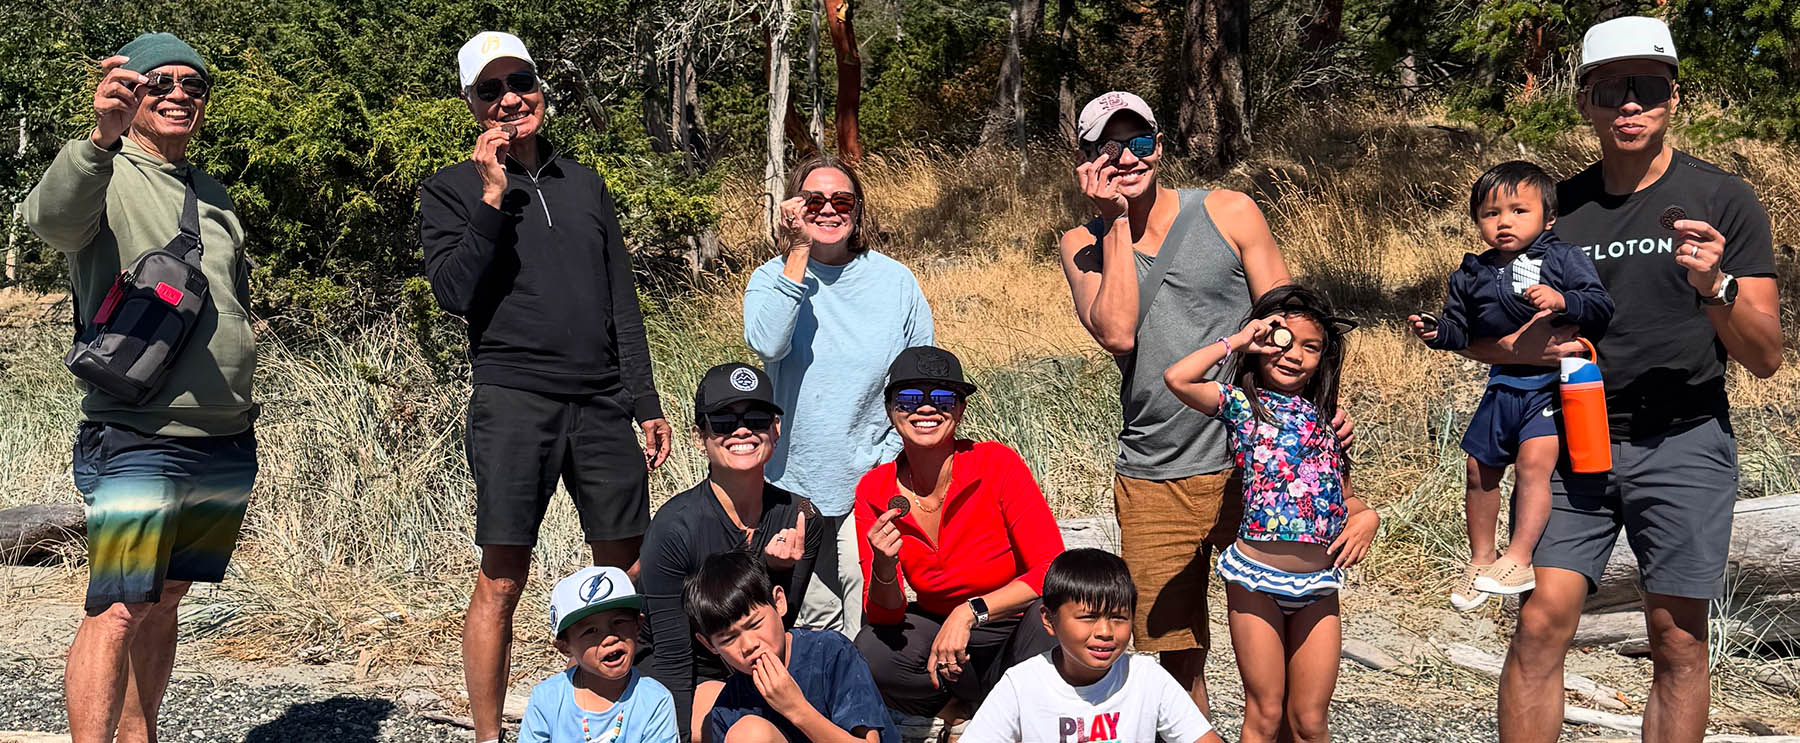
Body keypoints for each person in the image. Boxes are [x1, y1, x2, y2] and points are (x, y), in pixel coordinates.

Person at [1493, 17, 1783, 743]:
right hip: (1572, 442)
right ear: (1585, 101)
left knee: (1677, 638)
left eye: (1646, 87)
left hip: (1684, 439)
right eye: (1612, 88)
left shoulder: (1724, 200)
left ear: (1673, 97)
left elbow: (1767, 355)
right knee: (1538, 623)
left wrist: (1716, 284)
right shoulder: (1557, 212)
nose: (1630, 104)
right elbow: (1512, 337)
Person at [1055, 90, 1350, 716]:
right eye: (1109, 146)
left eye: (1139, 142)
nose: (1126, 157)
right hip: (1158, 463)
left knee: (1277, 640)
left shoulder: (1230, 211)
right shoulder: (1080, 242)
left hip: (1256, 456)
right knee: (1176, 645)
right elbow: (1118, 332)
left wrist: (1325, 410)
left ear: (1160, 145)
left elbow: (1292, 322)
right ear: (1085, 158)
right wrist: (1112, 223)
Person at [418, 31, 674, 743]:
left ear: (539, 85)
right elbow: (452, 291)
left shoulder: (584, 183)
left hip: (599, 402)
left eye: (519, 81)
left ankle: (633, 721)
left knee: (626, 569)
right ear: (471, 104)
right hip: (513, 398)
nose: (509, 99)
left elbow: (621, 298)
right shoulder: (449, 189)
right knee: (503, 572)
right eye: (489, 90)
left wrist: (644, 401)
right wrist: (492, 199)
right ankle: (487, 734)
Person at [23, 33, 258, 743]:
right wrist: (100, 135)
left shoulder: (211, 193)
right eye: (160, 82)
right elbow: (47, 221)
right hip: (136, 433)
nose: (180, 92)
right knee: (119, 604)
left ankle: (139, 734)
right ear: (132, 92)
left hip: (222, 434)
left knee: (165, 599)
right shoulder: (107, 169)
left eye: (194, 82)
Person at [1164, 285, 1379, 743]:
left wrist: (1369, 517)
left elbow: (1346, 499)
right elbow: (1178, 379)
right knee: (1263, 714)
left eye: (1311, 347)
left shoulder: (1327, 422)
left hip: (1319, 586)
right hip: (1256, 580)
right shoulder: (1246, 406)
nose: (1295, 355)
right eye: (1283, 340)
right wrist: (1239, 340)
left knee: (1310, 721)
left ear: (1324, 359)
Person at [744, 154, 936, 638]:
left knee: (867, 596)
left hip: (871, 474)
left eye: (841, 200)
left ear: (858, 210)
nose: (828, 210)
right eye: (813, 199)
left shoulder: (895, 282)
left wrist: (898, 456)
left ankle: (869, 707)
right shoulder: (773, 277)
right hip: (793, 479)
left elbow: (920, 375)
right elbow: (768, 343)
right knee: (810, 612)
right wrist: (798, 254)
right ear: (793, 206)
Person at [1409, 161, 1613, 610]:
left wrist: (1564, 300)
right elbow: (1460, 331)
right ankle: (1480, 559)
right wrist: (1436, 333)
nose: (1504, 222)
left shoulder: (1562, 259)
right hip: (1502, 384)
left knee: (1533, 465)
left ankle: (1518, 557)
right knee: (1478, 470)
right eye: (1490, 213)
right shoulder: (1470, 274)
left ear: (1549, 217)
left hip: (1551, 386)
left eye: (1519, 211)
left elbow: (1600, 305)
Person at [853, 345, 1065, 725]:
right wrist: (885, 567)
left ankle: (1001, 713)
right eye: (909, 398)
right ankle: (965, 705)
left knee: (1054, 619)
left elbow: (1050, 568)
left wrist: (970, 611)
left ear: (961, 409)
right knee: (873, 649)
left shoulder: (996, 464)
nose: (926, 408)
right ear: (890, 411)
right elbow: (884, 614)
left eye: (943, 398)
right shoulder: (874, 488)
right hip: (942, 633)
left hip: (1015, 621)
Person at [642, 363, 824, 742]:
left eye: (757, 418)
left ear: (775, 429)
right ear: (699, 436)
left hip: (757, 660)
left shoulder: (802, 517)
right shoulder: (674, 527)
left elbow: (780, 625)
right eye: (723, 422)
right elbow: (674, 656)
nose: (742, 430)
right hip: (697, 666)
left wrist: (781, 573)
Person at [960, 549, 1225, 743]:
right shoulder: (1022, 685)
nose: (1105, 632)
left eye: (1119, 618)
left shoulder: (1146, 678)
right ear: (1049, 620)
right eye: (1088, 618)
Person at [687, 551, 897, 743]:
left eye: (755, 624)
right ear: (709, 644)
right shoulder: (730, 704)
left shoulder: (831, 653)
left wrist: (796, 708)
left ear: (779, 602)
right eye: (728, 639)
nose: (749, 645)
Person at [521, 566, 680, 743]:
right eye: (591, 631)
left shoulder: (655, 700)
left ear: (638, 625)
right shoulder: (546, 698)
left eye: (619, 622)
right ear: (564, 647)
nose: (610, 637)